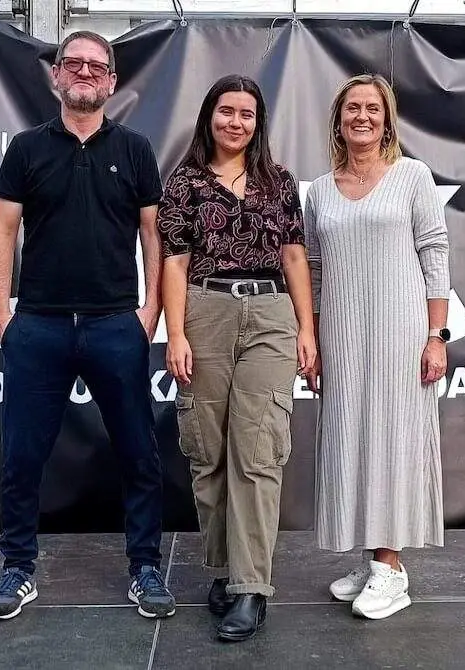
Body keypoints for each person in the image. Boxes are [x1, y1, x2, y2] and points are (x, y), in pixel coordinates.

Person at [0, 30, 175, 622]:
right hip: (38, 325)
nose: (86, 72)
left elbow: (153, 236)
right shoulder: (26, 149)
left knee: (140, 453)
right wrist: (1, 313)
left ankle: (145, 567)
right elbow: (2, 232)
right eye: (75, 63)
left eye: (98, 66)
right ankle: (17, 568)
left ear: (112, 82)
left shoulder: (136, 149)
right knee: (21, 456)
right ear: (57, 76)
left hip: (116, 324)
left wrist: (150, 313)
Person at [158, 74, 315, 641]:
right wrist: (175, 335)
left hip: (270, 312)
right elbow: (173, 262)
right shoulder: (185, 183)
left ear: (258, 123)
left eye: (247, 114)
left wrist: (307, 329)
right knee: (208, 451)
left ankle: (252, 588)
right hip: (206, 312)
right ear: (209, 116)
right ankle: (224, 569)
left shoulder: (279, 182)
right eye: (226, 111)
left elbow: (296, 257)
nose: (236, 122)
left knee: (258, 450)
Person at [302, 73, 451, 621]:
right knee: (351, 440)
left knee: (394, 440)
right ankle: (373, 559)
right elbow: (313, 268)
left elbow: (435, 251)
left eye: (373, 108)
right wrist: (311, 335)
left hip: (400, 331)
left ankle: (392, 569)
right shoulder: (319, 190)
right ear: (338, 120)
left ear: (387, 119)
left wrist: (436, 336)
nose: (362, 117)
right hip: (342, 334)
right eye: (352, 109)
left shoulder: (412, 176)